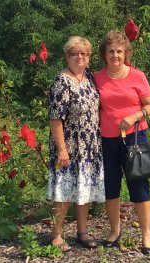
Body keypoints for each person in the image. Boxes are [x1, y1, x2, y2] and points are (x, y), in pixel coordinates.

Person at [94, 30, 150, 255]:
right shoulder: (97, 78)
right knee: (110, 185)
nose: (115, 55)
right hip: (106, 140)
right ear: (104, 54)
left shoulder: (137, 76)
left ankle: (146, 234)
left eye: (119, 51)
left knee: (138, 185)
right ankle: (114, 230)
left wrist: (133, 117)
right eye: (110, 51)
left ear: (126, 53)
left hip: (135, 137)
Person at [46, 36, 105, 250]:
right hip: (69, 146)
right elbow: (55, 118)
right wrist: (62, 149)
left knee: (84, 189)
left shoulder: (88, 77)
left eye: (84, 53)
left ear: (89, 57)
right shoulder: (61, 81)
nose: (79, 57)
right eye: (74, 53)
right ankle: (56, 234)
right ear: (67, 56)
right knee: (64, 190)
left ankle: (83, 232)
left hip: (90, 146)